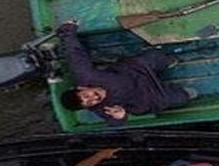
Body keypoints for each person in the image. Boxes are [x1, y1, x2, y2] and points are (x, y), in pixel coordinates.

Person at [57, 19, 196, 124]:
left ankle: (166, 62)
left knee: (155, 56)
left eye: (87, 95)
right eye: (89, 103)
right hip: (148, 97)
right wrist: (120, 116)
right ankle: (184, 93)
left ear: (81, 87)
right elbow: (116, 123)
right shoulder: (103, 108)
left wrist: (68, 29)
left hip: (137, 70)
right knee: (181, 98)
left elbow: (75, 55)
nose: (94, 98)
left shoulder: (87, 75)